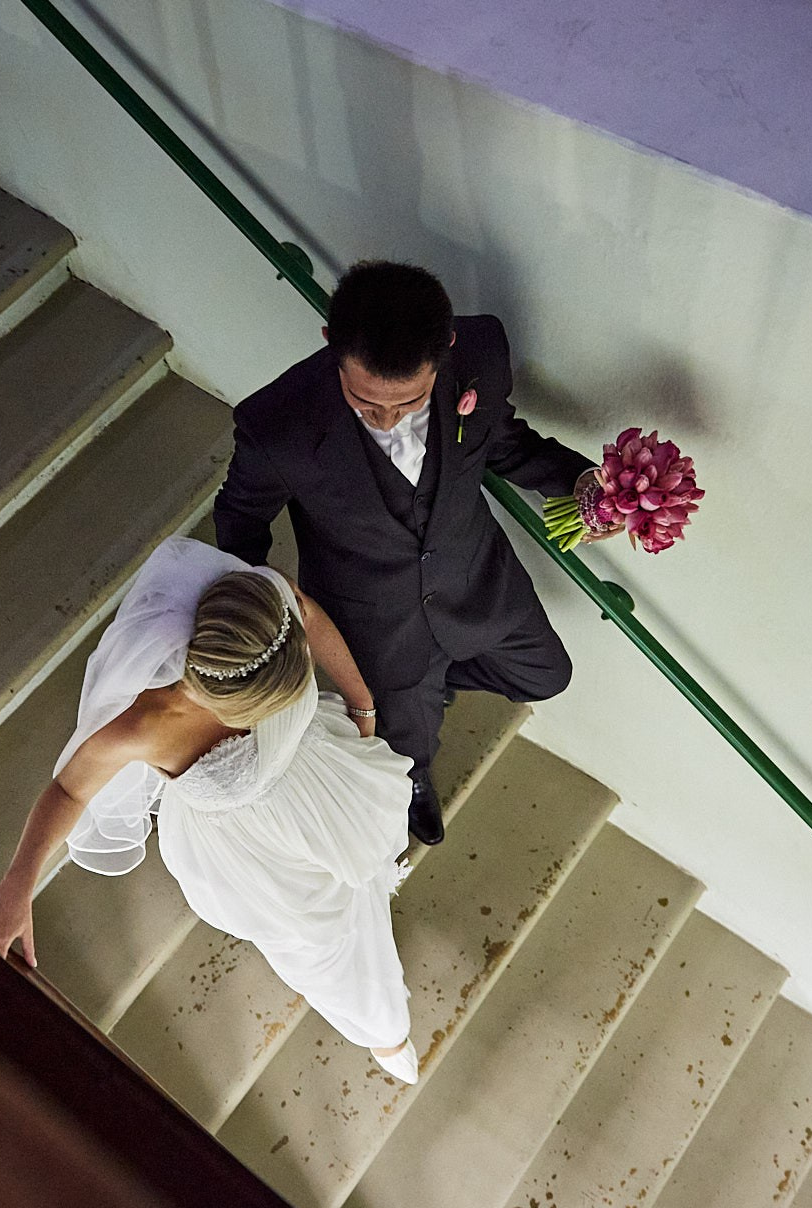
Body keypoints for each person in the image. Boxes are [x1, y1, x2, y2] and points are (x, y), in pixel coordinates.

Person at [0, 536, 420, 1083]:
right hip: (253, 853)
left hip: (319, 782)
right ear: (210, 694)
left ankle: (377, 955)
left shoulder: (263, 608)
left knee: (362, 884)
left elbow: (307, 612)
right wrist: (16, 885)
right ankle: (382, 1028)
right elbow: (69, 793)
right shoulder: (143, 726)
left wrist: (362, 703)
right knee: (318, 946)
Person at [214, 261, 598, 845]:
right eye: (366, 403)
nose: (388, 419)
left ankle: (433, 680)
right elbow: (241, 517)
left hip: (476, 581)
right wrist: (267, 608)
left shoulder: (482, 354)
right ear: (330, 343)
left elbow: (504, 442)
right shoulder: (277, 424)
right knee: (407, 744)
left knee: (548, 675)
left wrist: (585, 485)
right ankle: (414, 779)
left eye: (409, 402)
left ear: (447, 347)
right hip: (372, 620)